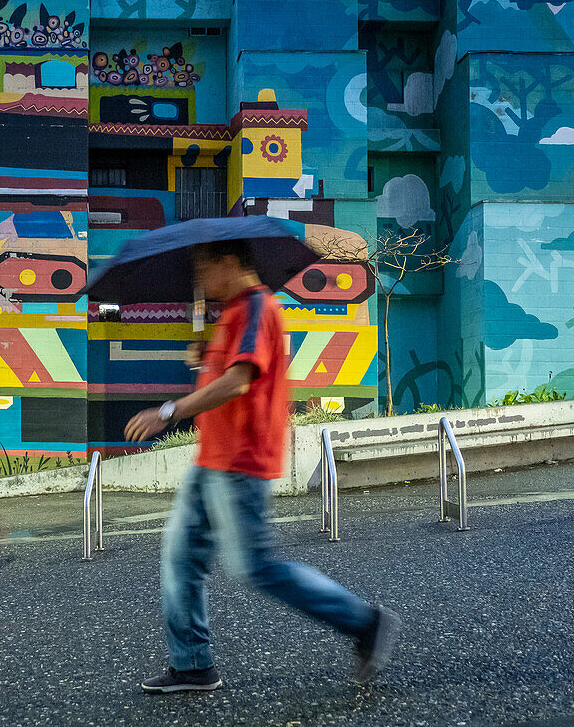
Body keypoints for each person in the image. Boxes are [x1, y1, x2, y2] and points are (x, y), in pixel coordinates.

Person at [124, 239, 400, 694]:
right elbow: (227, 370)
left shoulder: (256, 306)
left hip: (239, 461)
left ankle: (366, 622)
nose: (199, 280)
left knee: (257, 567)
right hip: (211, 459)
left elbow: (238, 381)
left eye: (203, 268)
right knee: (180, 560)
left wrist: (167, 412)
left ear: (229, 262)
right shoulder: (232, 314)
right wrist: (204, 356)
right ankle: (192, 664)